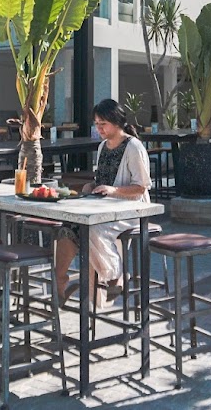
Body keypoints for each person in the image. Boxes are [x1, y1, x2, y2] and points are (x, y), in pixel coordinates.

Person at [54, 99, 151, 304]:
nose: (99, 128)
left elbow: (141, 187)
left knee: (91, 227)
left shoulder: (133, 147)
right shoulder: (102, 147)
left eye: (103, 124)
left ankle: (115, 276)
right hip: (101, 206)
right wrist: (91, 187)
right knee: (68, 226)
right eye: (97, 124)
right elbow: (101, 180)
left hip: (130, 210)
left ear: (116, 122)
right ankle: (60, 281)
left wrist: (114, 190)